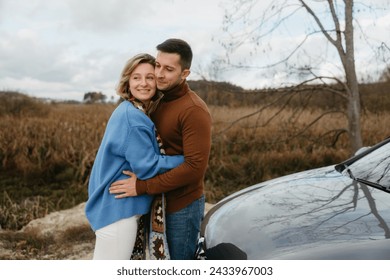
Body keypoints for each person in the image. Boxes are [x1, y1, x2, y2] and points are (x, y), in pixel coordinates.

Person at [109, 38, 212, 260]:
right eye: (157, 65)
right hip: (158, 202)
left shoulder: (194, 110)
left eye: (169, 69)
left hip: (181, 206)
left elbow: (195, 168)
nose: (159, 73)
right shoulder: (157, 100)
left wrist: (144, 186)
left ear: (185, 73)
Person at [85, 53, 184, 260]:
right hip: (118, 212)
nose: (144, 83)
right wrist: (185, 160)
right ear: (127, 82)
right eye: (136, 77)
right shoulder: (134, 118)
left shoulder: (127, 109)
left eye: (150, 77)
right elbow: (147, 167)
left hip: (112, 208)